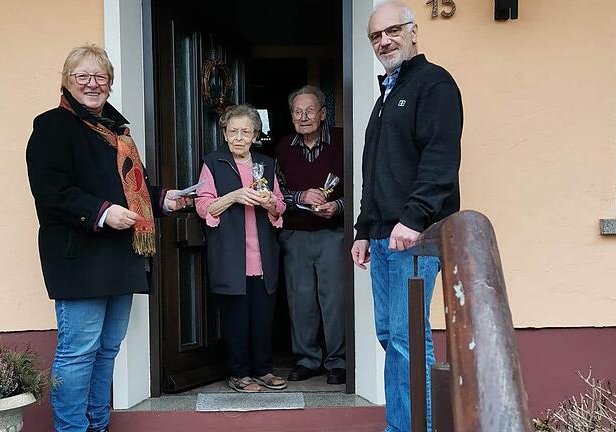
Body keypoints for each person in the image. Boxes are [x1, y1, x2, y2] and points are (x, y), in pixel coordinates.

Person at [26, 44, 188, 432]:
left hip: (121, 256)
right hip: (78, 258)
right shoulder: (51, 125)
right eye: (82, 76)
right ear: (67, 82)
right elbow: (50, 190)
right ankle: (71, 429)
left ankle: (98, 425)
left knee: (107, 351)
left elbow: (132, 189)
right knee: (78, 353)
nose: (92, 84)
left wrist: (163, 198)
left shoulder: (117, 133)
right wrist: (101, 212)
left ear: (110, 85)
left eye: (100, 77)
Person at [351, 2, 463, 431]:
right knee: (391, 338)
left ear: (414, 32)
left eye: (393, 30)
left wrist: (414, 219)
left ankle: (417, 428)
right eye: (376, 36)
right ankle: (400, 426)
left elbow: (440, 160)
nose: (385, 41)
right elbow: (374, 171)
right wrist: (363, 229)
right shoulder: (386, 96)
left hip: (415, 237)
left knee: (408, 339)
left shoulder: (434, 85)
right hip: (382, 239)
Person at [195, 104, 288, 393]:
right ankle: (239, 372)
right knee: (236, 319)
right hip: (230, 256)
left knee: (262, 317)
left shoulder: (266, 164)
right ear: (224, 133)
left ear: (255, 135)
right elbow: (203, 206)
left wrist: (271, 202)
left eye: (245, 132)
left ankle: (264, 370)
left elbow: (280, 206)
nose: (238, 137)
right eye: (232, 131)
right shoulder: (213, 163)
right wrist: (234, 196)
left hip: (263, 256)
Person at [275, 85, 346, 385]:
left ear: (323, 113)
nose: (303, 117)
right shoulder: (282, 147)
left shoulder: (343, 141)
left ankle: (339, 361)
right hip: (296, 234)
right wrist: (301, 197)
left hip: (332, 233)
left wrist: (337, 206)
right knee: (300, 300)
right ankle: (307, 359)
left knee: (335, 300)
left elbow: (358, 185)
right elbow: (275, 192)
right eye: (297, 112)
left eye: (309, 111)